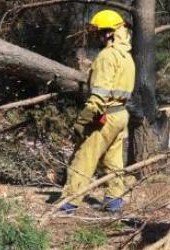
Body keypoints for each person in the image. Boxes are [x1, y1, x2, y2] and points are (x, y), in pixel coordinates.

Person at [59, 9, 136, 213]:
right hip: (121, 114)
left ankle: (69, 202)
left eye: (99, 33)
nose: (97, 37)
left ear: (109, 33)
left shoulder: (107, 56)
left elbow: (98, 98)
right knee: (113, 160)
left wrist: (81, 122)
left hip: (105, 115)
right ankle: (114, 200)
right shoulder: (126, 57)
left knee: (84, 157)